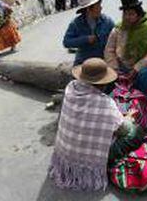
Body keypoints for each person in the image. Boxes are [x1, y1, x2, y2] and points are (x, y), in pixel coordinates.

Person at [49, 58, 142, 191]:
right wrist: (129, 117)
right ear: (103, 83)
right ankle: (99, 167)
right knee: (135, 131)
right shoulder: (105, 103)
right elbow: (123, 130)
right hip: (88, 157)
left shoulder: (71, 88)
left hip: (65, 155)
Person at [104, 0, 147, 99]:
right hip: (120, 67)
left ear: (138, 13)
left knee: (146, 76)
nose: (127, 17)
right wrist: (115, 69)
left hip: (141, 68)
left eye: (131, 14)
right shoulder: (118, 29)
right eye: (125, 14)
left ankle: (145, 105)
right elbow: (109, 50)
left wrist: (135, 69)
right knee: (105, 75)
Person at [63, 0, 115, 65]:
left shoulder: (107, 21)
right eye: (98, 6)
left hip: (103, 62)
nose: (101, 8)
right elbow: (66, 42)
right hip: (83, 62)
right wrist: (85, 39)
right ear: (88, 9)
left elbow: (116, 39)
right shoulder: (76, 23)